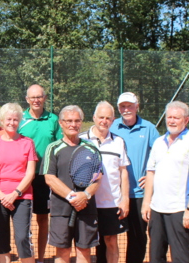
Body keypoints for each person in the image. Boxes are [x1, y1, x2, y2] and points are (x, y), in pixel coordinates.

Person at [141, 101, 189, 263]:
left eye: (176, 117)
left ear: (186, 120)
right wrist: (146, 203)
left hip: (179, 210)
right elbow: (151, 172)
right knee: (156, 256)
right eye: (169, 117)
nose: (172, 121)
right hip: (156, 209)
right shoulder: (158, 142)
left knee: (181, 257)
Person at [42, 105, 100, 263]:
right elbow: (49, 178)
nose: (73, 124)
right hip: (61, 209)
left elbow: (98, 178)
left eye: (76, 121)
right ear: (61, 123)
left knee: (84, 251)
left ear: (81, 122)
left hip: (86, 208)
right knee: (62, 252)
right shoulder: (53, 148)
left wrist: (85, 195)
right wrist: (72, 197)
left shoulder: (91, 147)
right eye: (68, 121)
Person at [109, 91, 159, 263]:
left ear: (137, 106)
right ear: (118, 108)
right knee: (109, 234)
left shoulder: (149, 128)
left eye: (130, 105)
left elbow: (161, 155)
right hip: (114, 193)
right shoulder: (111, 126)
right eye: (123, 106)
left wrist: (153, 176)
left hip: (139, 194)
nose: (126, 109)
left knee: (137, 236)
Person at [79, 102, 129, 263]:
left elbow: (123, 172)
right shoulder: (81, 140)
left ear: (113, 120)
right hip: (87, 202)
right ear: (94, 118)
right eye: (101, 117)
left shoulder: (119, 142)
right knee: (84, 245)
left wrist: (125, 199)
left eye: (108, 118)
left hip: (111, 202)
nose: (104, 121)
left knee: (111, 241)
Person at [18, 84, 62, 263]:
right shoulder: (20, 119)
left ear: (44, 98)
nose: (36, 100)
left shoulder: (53, 119)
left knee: (43, 219)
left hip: (45, 177)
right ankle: (27, 257)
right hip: (23, 177)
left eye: (39, 97)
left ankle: (41, 259)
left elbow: (59, 146)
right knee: (24, 220)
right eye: (32, 97)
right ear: (27, 100)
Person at [0, 103, 36, 263]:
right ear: (2, 120)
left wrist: (15, 194)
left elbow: (30, 173)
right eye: (8, 119)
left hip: (23, 198)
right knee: (1, 239)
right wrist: (2, 195)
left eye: (15, 119)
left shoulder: (27, 142)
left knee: (23, 237)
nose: (12, 122)